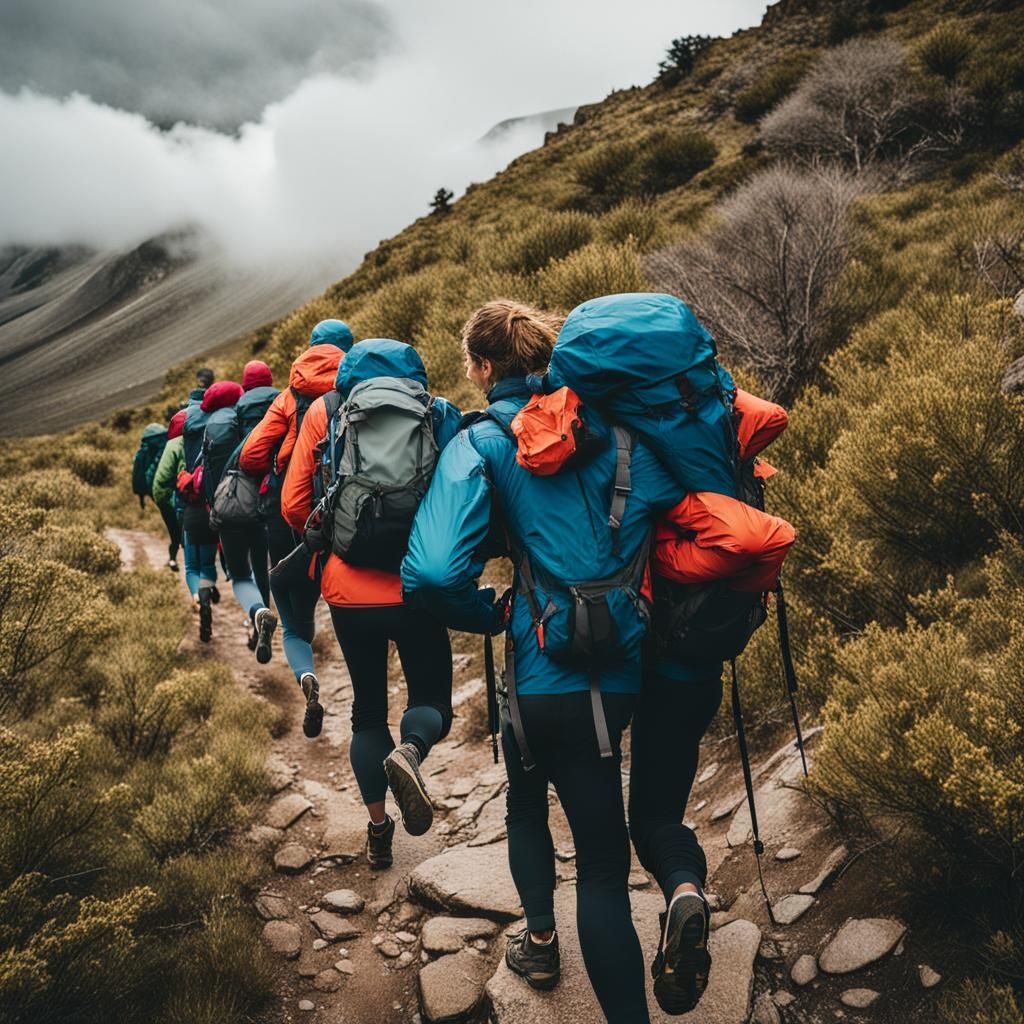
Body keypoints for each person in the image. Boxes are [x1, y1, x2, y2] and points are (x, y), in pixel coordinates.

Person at [402, 302, 683, 1024]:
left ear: (484, 367)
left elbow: (433, 574)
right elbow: (683, 518)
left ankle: (541, 940)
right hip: (618, 675)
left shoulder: (485, 441)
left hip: (536, 673)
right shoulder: (624, 436)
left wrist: (488, 611)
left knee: (527, 801)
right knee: (603, 867)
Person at [284, 338, 462, 868]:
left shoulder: (326, 411)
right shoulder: (438, 412)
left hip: (347, 587)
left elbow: (294, 504)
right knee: (431, 697)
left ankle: (379, 829)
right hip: (417, 584)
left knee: (367, 710)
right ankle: (411, 751)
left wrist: (334, 534)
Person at [241, 319, 352, 718]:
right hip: (346, 518)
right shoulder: (356, 389)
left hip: (289, 515)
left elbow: (250, 455)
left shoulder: (291, 396)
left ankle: (307, 675)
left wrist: (278, 462)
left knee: (296, 619)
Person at [203, 361, 280, 661]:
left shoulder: (236, 414)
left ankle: (257, 613)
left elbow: (217, 467)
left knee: (240, 576)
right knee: (262, 568)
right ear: (271, 380)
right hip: (271, 502)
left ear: (245, 386)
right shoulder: (283, 403)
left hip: (238, 504)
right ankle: (266, 618)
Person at [181, 380, 241, 640]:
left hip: (189, 510)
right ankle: (207, 592)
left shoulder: (185, 433)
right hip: (212, 506)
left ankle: (197, 597)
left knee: (191, 565)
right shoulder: (224, 430)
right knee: (207, 564)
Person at [152, 409, 187, 571]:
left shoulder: (170, 445)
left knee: (174, 532)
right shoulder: (185, 444)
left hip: (164, 496)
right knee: (186, 534)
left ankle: (173, 559)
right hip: (180, 497)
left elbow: (162, 477)